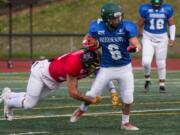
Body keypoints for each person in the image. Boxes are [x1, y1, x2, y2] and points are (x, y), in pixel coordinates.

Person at [70, 2, 141, 131]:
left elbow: (136, 43)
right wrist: (87, 43)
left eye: (119, 17)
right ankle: (81, 109)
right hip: (107, 67)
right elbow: (87, 39)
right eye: (114, 18)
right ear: (106, 19)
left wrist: (134, 48)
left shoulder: (127, 27)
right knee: (92, 94)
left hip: (124, 68)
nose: (118, 20)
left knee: (128, 97)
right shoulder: (97, 27)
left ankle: (125, 123)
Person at [0, 48, 107, 121]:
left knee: (34, 98)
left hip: (53, 78)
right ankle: (8, 104)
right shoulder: (74, 65)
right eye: (93, 66)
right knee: (29, 104)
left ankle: (9, 94)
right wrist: (90, 100)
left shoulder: (86, 56)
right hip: (41, 73)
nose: (94, 68)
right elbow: (73, 92)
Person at [137, 0, 176, 93]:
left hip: (162, 38)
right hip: (148, 38)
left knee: (161, 63)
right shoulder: (145, 8)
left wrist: (172, 38)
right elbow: (139, 25)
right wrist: (134, 38)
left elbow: (171, 24)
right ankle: (147, 79)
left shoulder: (167, 8)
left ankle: (162, 85)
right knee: (146, 62)